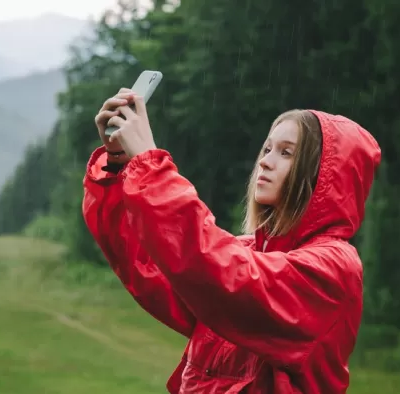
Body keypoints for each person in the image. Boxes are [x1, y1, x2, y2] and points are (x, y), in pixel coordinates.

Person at [82, 87, 382, 393]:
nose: (265, 162)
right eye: (267, 149)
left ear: (324, 177)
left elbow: (222, 273)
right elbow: (150, 264)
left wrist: (149, 162)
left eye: (286, 152)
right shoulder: (247, 251)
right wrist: (118, 164)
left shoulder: (333, 270)